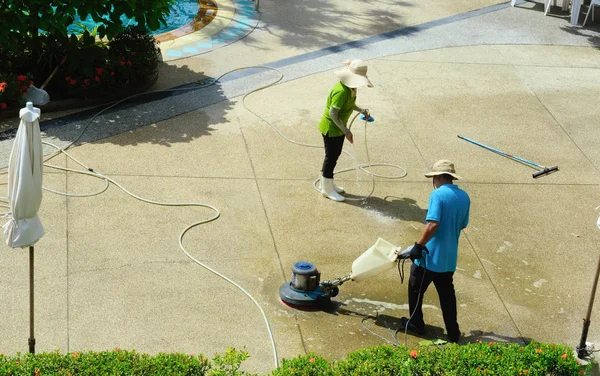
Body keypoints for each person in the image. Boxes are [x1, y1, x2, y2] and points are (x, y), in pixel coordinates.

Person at [397, 160, 470, 343]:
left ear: (437, 177)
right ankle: (453, 332)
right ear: (452, 177)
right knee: (447, 296)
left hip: (429, 257)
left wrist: (418, 246)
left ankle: (416, 324)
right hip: (449, 258)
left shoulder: (437, 195)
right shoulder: (464, 197)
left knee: (415, 289)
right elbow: (463, 225)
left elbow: (432, 224)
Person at [317, 59, 372, 202]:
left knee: (334, 155)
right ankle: (326, 189)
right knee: (331, 157)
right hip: (331, 128)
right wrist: (346, 131)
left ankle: (328, 183)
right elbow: (333, 114)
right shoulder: (341, 91)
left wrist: (361, 110)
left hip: (339, 128)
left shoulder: (351, 88)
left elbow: (349, 104)